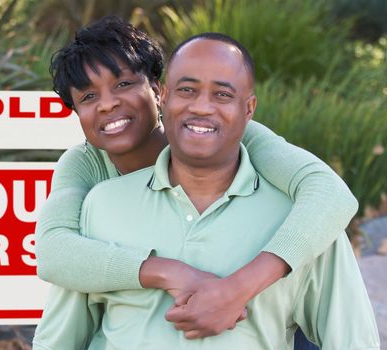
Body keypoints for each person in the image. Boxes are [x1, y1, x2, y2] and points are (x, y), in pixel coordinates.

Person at [34, 32, 379, 350]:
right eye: (89, 96)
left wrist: (235, 290)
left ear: (157, 91)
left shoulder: (232, 134)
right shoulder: (92, 183)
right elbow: (55, 252)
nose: (108, 104)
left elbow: (329, 193)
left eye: (123, 84)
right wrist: (170, 272)